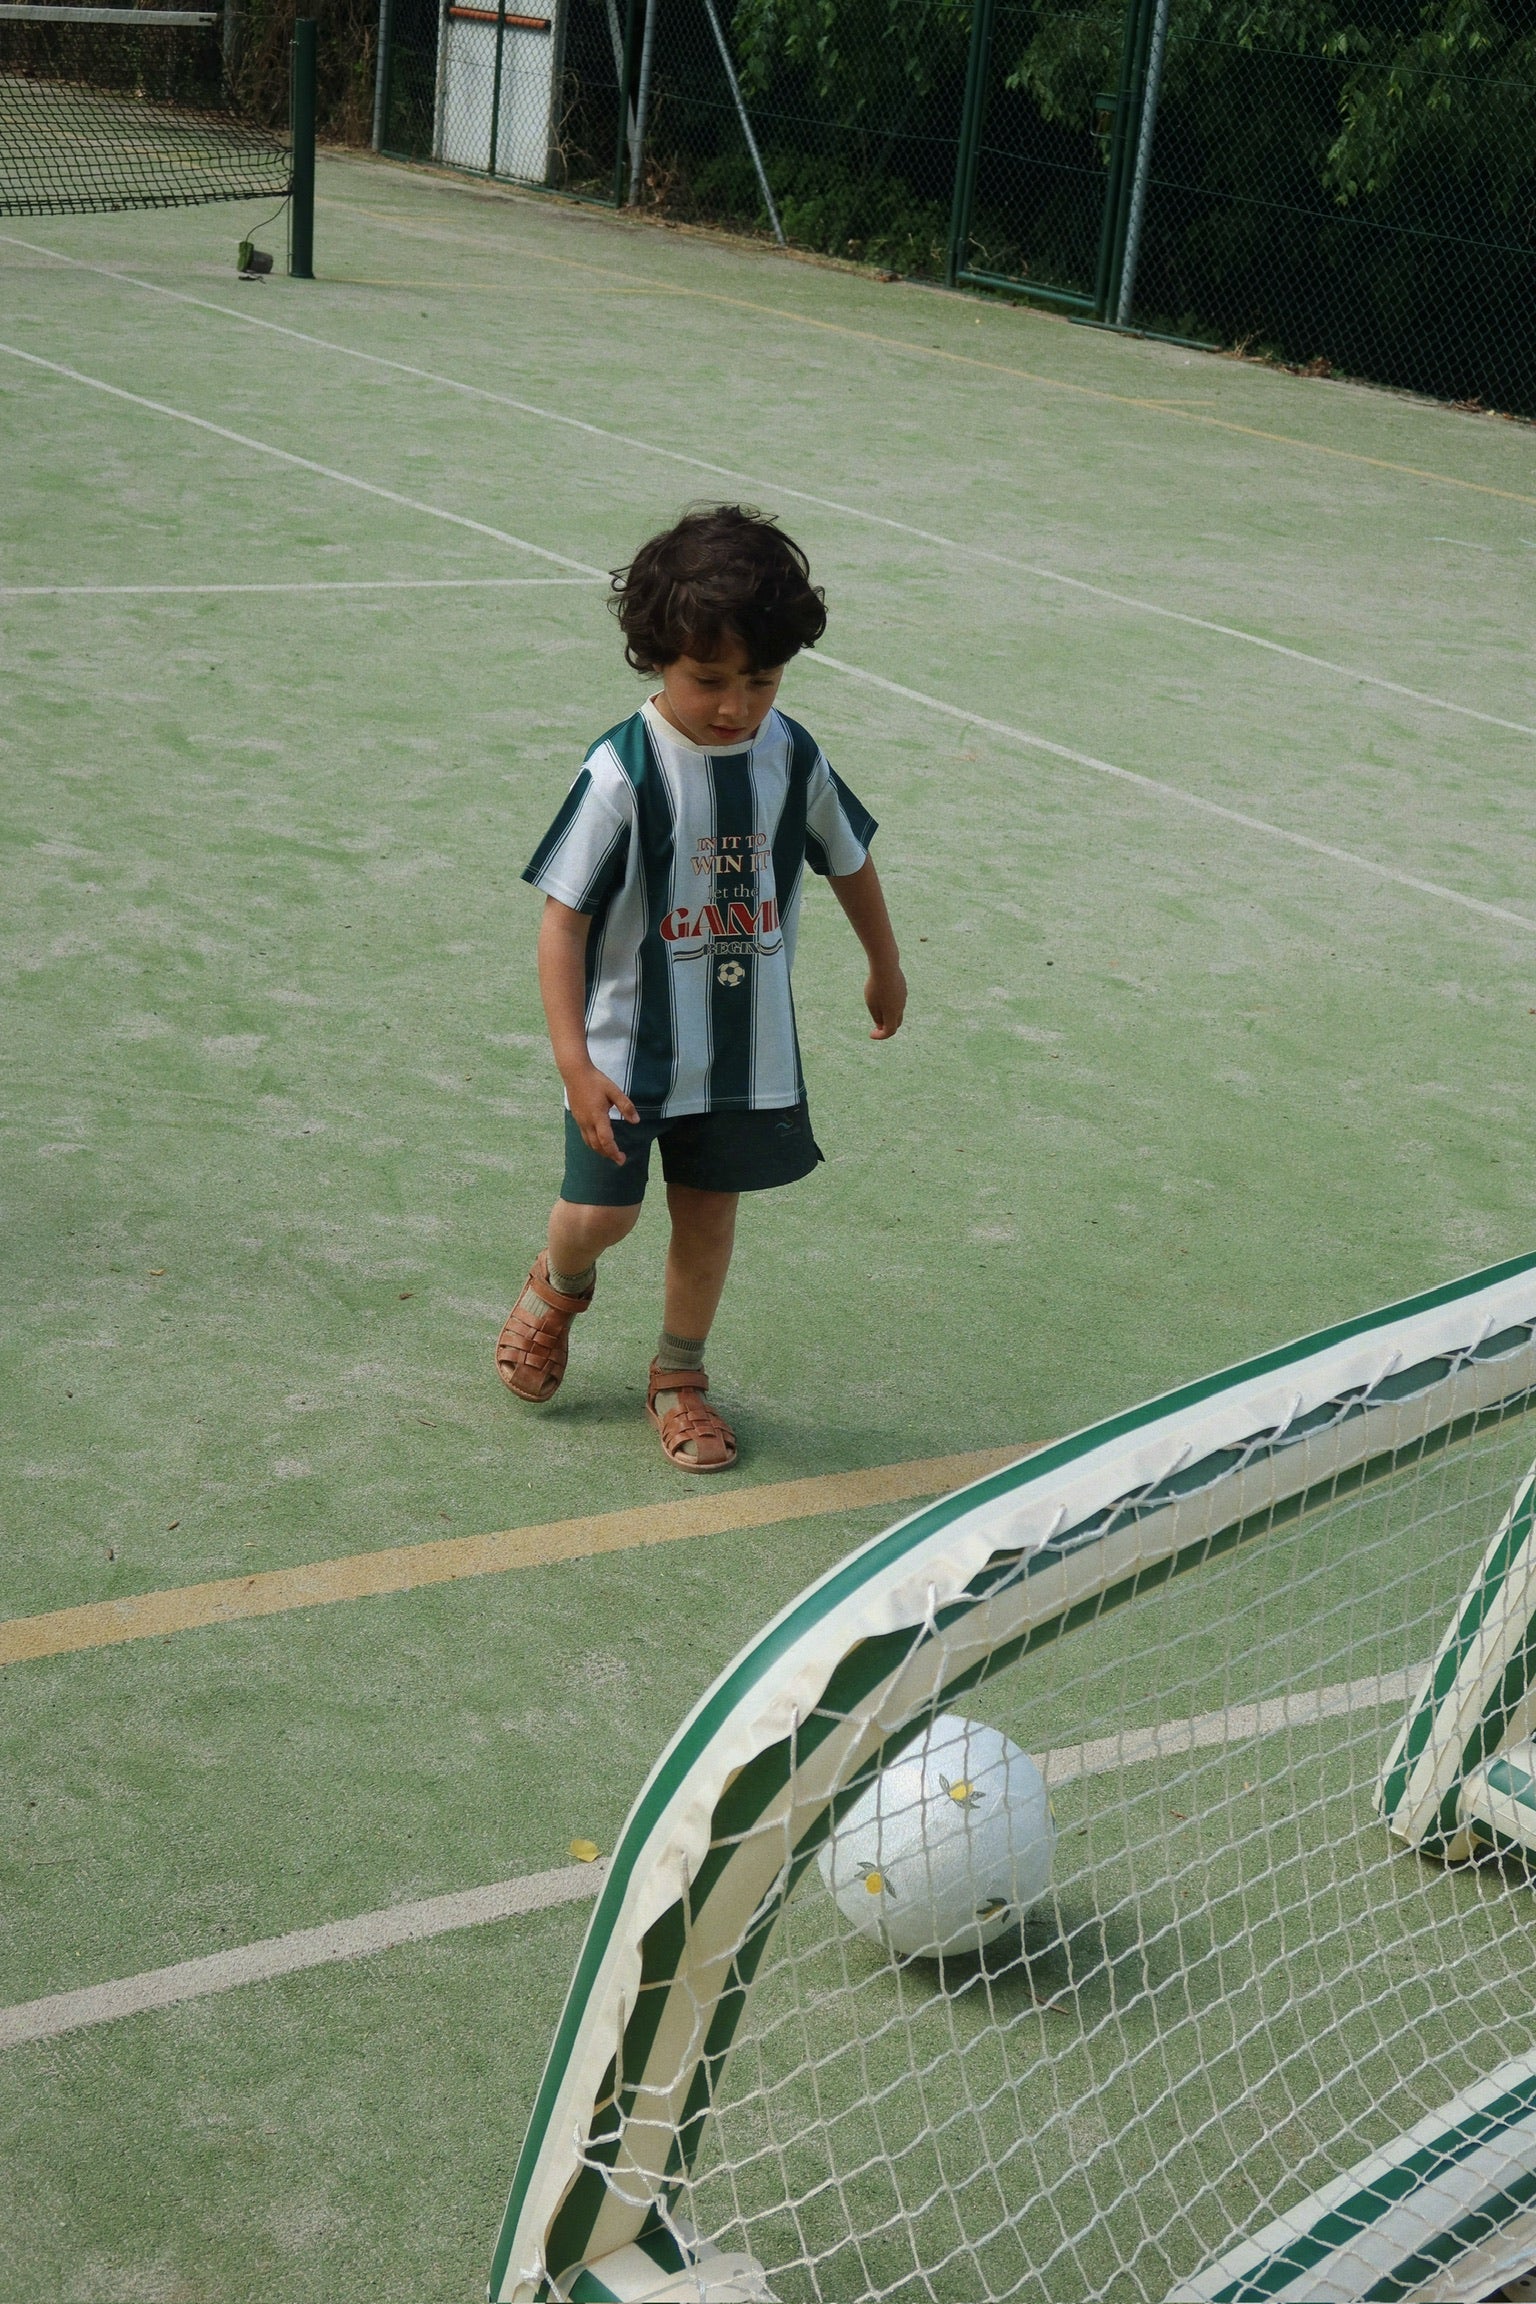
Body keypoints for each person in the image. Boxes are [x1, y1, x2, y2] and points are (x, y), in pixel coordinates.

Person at [496, 504, 906, 1471]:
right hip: (626, 1050)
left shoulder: (792, 753)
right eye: (708, 680)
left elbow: (848, 858)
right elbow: (564, 918)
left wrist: (884, 962)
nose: (736, 706)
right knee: (606, 1215)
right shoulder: (623, 772)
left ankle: (680, 1376)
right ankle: (559, 1284)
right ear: (653, 660)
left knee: (709, 1213)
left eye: (760, 680)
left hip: (744, 1049)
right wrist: (572, 1059)